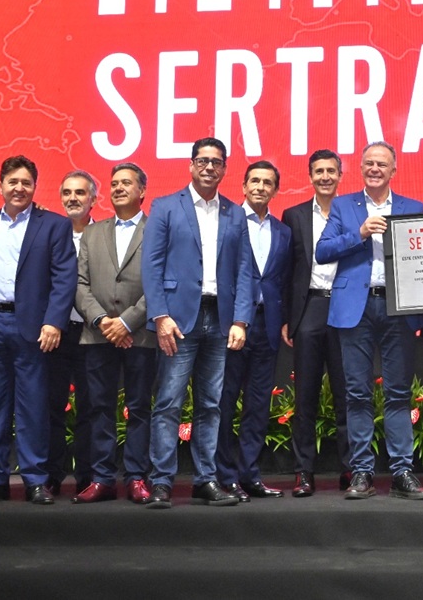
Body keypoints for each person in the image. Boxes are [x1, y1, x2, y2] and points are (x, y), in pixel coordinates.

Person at [142, 138, 253, 509]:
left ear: (224, 169)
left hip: (220, 319)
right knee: (168, 403)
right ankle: (161, 482)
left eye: (216, 162)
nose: (209, 167)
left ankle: (205, 480)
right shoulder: (165, 207)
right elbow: (151, 266)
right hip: (177, 320)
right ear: (191, 165)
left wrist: (241, 320)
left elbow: (244, 270)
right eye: (202, 160)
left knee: (211, 405)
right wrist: (160, 316)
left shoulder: (235, 213)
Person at [315, 142, 423, 500]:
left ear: (394, 170)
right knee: (356, 393)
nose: (375, 169)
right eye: (369, 163)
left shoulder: (413, 208)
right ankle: (362, 471)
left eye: (382, 164)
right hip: (355, 308)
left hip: (398, 307)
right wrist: (360, 233)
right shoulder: (343, 205)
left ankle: (402, 471)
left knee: (398, 392)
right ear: (361, 168)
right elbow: (322, 251)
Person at [0, 155, 77, 505]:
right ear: (0, 185)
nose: (19, 188)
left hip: (32, 327)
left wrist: (54, 321)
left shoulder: (54, 225)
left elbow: (65, 278)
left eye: (26, 183)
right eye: (12, 182)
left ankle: (35, 480)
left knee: (33, 406)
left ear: (35, 187)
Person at [73, 162, 156, 504]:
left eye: (126, 183)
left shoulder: (157, 230)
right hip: (98, 334)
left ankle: (136, 477)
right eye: (114, 183)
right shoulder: (93, 233)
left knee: (139, 408)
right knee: (99, 407)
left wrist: (127, 322)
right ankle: (102, 478)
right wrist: (102, 321)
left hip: (141, 334)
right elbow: (79, 284)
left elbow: (161, 283)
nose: (119, 188)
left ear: (142, 191)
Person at [217, 161, 291, 501]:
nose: (261, 187)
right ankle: (224, 476)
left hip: (268, 325)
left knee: (258, 404)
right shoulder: (227, 221)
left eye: (268, 182)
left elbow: (284, 280)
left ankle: (250, 475)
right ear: (244, 186)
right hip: (233, 324)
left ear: (275, 190)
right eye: (255, 181)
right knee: (225, 402)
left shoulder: (283, 231)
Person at [281, 150, 351, 497]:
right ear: (310, 176)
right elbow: (286, 270)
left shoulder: (352, 212)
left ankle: (351, 469)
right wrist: (287, 318)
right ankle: (304, 472)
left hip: (345, 308)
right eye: (319, 171)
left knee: (346, 394)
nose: (325, 176)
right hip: (309, 307)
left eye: (331, 171)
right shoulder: (293, 215)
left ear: (340, 175)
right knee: (305, 396)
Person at [45, 170, 96, 496]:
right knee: (52, 407)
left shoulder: (104, 234)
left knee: (90, 408)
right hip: (56, 333)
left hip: (92, 334)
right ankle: (51, 475)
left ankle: (87, 477)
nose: (73, 198)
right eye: (67, 192)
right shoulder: (49, 232)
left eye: (80, 192)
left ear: (93, 199)